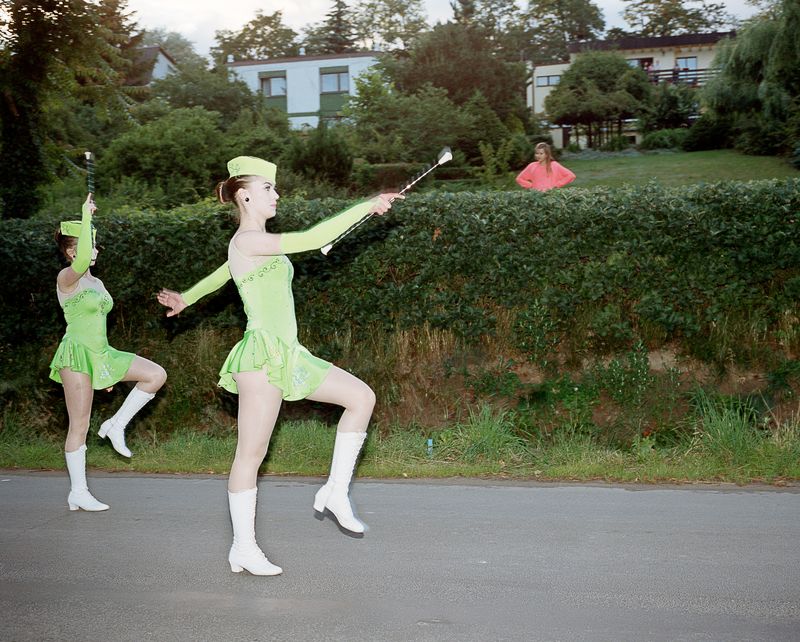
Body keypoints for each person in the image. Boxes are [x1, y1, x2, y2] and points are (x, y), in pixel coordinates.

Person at [157, 156, 402, 576]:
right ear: (244, 194)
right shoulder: (247, 241)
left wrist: (188, 297)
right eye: (269, 188)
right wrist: (366, 205)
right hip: (261, 357)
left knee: (361, 398)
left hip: (290, 353)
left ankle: (336, 492)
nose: (277, 194)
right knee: (250, 455)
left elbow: (223, 274)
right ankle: (243, 548)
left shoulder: (250, 244)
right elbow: (311, 238)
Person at [51, 194, 167, 511]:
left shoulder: (97, 281)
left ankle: (116, 425)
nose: (96, 250)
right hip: (76, 356)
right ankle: (79, 492)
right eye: (90, 244)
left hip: (101, 353)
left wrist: (106, 371)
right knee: (80, 425)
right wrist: (86, 216)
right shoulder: (66, 278)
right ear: (73, 251)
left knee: (155, 375)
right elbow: (82, 257)